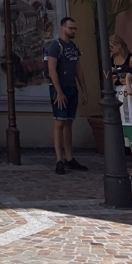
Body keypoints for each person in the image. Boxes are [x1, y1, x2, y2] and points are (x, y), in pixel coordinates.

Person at [45, 16, 88, 174]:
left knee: (69, 122)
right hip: (60, 88)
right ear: (63, 28)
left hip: (72, 88)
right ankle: (59, 159)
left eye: (74, 28)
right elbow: (51, 69)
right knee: (59, 122)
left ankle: (70, 157)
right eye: (71, 28)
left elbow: (78, 69)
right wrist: (59, 91)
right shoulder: (55, 46)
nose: (73, 31)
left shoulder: (74, 47)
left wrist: (83, 89)